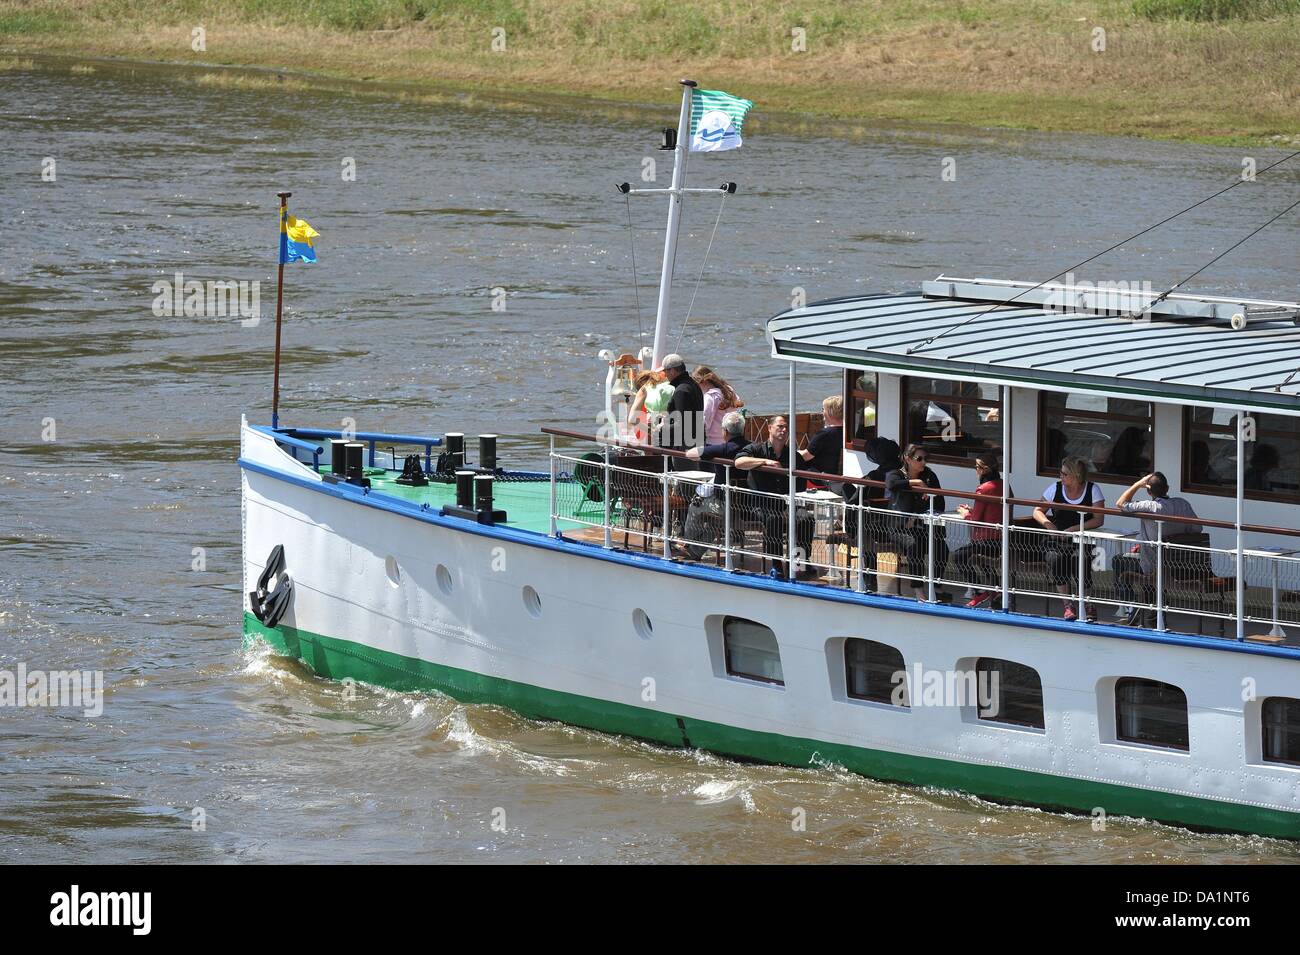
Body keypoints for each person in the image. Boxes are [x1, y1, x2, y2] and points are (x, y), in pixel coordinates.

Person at [1112, 471, 1200, 626]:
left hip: (1154, 566)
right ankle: (1152, 613)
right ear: (1167, 488)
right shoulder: (1182, 504)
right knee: (1154, 571)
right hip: (1180, 564)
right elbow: (1197, 529)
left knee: (1119, 560)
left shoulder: (1149, 506)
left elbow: (1120, 503)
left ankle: (1131, 607)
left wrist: (1137, 484)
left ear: (1148, 491)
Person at [736, 415, 815, 579]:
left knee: (806, 519)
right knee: (774, 519)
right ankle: (776, 564)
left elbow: (800, 486)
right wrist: (765, 462)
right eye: (780, 426)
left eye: (786, 427)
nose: (784, 430)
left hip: (788, 504)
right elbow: (739, 462)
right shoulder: (756, 449)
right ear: (770, 428)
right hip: (762, 505)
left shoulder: (794, 456)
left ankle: (799, 561)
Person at [1032, 455, 1104, 622]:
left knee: (1080, 559)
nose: (1061, 477)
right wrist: (1049, 526)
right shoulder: (1055, 488)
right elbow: (1037, 510)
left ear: (1076, 475)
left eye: (1065, 474)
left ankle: (1086, 603)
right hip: (1056, 539)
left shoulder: (1093, 489)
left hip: (1081, 538)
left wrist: (1074, 530)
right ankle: (1068, 605)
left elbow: (1098, 519)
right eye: (1061, 473)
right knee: (1056, 559)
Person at [881, 444, 947, 598]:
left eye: (925, 459)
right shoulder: (895, 474)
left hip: (920, 525)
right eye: (919, 459)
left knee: (942, 548)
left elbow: (939, 501)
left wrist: (917, 515)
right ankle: (918, 588)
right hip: (899, 527)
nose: (923, 462)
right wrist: (916, 483)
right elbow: (891, 484)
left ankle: (936, 584)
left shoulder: (930, 475)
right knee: (914, 546)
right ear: (907, 459)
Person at [681, 411, 749, 560]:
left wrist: (708, 452)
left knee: (696, 504)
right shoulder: (752, 448)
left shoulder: (722, 449)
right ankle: (695, 551)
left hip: (724, 506)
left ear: (725, 431)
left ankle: (686, 542)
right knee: (715, 520)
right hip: (748, 506)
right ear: (743, 430)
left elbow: (690, 454)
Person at [954, 452, 1007, 608]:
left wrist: (965, 513)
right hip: (1002, 540)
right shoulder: (1004, 484)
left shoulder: (983, 488)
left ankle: (979, 591)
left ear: (983, 470)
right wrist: (973, 510)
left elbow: (975, 520)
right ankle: (994, 589)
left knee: (959, 556)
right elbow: (991, 511)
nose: (975, 470)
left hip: (988, 541)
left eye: (976, 467)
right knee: (981, 558)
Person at [655, 353, 704, 468]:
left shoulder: (681, 390)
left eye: (665, 371)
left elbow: (683, 424)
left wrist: (662, 428)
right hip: (696, 441)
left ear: (673, 371)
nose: (665, 374)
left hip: (683, 445)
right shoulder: (693, 385)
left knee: (685, 481)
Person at [693, 366, 743, 446]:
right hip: (731, 440)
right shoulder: (729, 390)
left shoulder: (710, 396)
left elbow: (704, 423)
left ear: (702, 382)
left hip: (713, 442)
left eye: (696, 385)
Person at [799, 395, 844, 476]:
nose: (822, 412)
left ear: (830, 411)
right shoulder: (846, 432)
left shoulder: (824, 434)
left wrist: (792, 453)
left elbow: (806, 456)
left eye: (823, 409)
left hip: (818, 477)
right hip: (834, 474)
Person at [627, 370, 673, 444]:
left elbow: (632, 419)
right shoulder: (671, 385)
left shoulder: (644, 389)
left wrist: (650, 431)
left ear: (641, 383)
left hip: (660, 433)